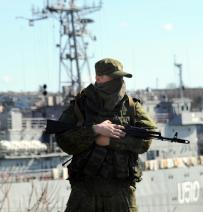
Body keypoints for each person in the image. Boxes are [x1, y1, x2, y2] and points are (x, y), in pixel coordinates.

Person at [56, 58, 156, 212]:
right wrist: (94, 131)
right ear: (98, 78)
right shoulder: (80, 105)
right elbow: (64, 139)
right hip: (85, 191)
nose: (119, 81)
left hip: (120, 191)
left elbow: (146, 139)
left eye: (120, 78)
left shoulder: (130, 106)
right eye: (114, 77)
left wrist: (109, 140)